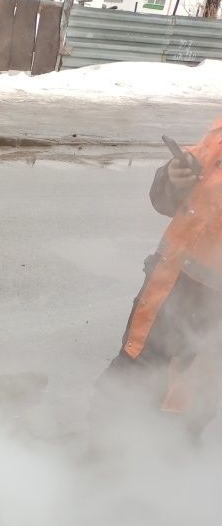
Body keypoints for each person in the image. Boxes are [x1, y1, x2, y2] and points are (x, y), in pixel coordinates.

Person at [96, 116, 222, 436]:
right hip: (164, 294)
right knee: (123, 390)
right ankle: (98, 460)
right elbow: (168, 198)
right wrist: (172, 177)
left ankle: (161, 475)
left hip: (208, 320)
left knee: (179, 413)